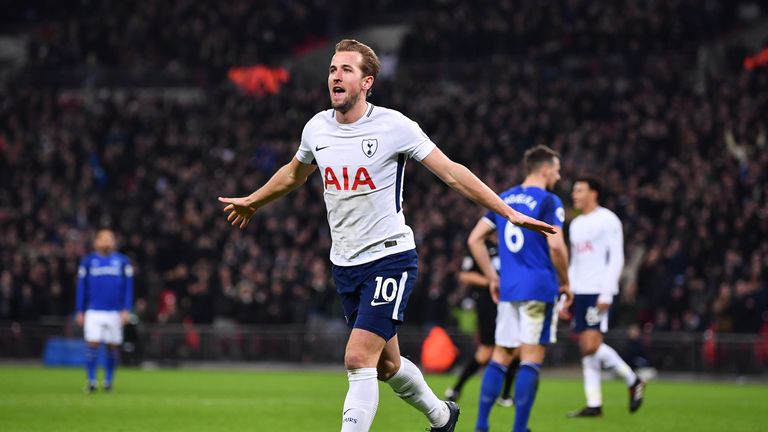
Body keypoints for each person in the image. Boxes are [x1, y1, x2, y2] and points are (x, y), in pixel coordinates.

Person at [218, 39, 556, 432]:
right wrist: (255, 201)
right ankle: (443, 417)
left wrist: (508, 212)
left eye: (346, 69)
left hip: (389, 258)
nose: (336, 76)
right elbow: (295, 173)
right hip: (344, 264)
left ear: (367, 82)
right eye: (332, 69)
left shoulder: (394, 126)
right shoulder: (316, 128)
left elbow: (451, 172)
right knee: (387, 365)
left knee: (358, 358)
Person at [469, 145, 572, 432]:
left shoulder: (504, 199)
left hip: (509, 289)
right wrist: (565, 281)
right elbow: (556, 246)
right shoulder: (550, 201)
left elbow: (474, 239)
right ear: (545, 169)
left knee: (501, 355)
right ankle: (519, 428)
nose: (559, 176)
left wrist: (492, 277)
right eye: (557, 169)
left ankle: (481, 425)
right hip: (539, 286)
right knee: (531, 357)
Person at [565, 176, 645, 417]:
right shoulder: (576, 224)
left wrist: (608, 291)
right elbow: (574, 261)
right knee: (586, 347)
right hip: (579, 291)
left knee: (591, 345)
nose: (574, 194)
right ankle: (594, 404)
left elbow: (616, 258)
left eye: (579, 190)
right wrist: (566, 293)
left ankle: (632, 379)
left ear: (594, 193)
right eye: (574, 190)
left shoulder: (608, 220)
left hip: (598, 290)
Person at [445, 239, 519, 406]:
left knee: (515, 348)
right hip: (488, 304)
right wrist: (491, 281)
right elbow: (464, 275)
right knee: (486, 350)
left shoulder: (510, 241)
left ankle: (505, 395)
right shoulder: (480, 246)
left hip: (511, 301)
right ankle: (456, 388)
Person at [75, 229, 134, 393]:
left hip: (115, 312)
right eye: (103, 238)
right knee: (92, 343)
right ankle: (91, 380)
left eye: (110, 238)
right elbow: (81, 287)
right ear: (96, 241)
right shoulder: (88, 261)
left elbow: (128, 288)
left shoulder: (123, 261)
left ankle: (108, 382)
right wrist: (80, 310)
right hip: (94, 311)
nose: (107, 241)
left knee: (112, 346)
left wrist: (126, 309)